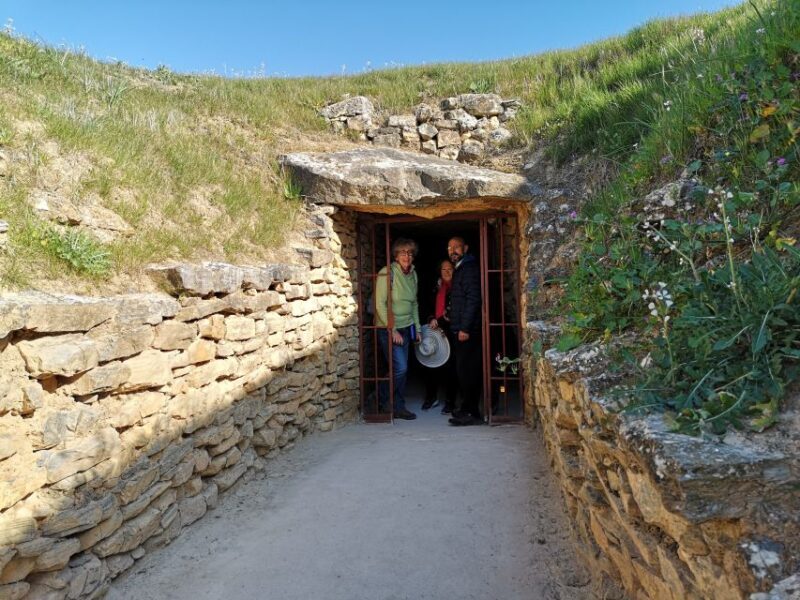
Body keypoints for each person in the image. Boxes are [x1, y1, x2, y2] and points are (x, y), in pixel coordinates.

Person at [374, 237, 422, 420]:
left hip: (407, 327)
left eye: (410, 253)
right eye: (402, 252)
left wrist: (417, 328)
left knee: (401, 369)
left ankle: (398, 406)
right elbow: (380, 303)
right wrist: (391, 329)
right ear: (396, 255)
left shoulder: (414, 275)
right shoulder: (387, 273)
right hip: (389, 328)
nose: (406, 256)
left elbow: (414, 304)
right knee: (400, 368)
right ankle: (380, 396)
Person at [446, 236, 483, 426]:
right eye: (450, 248)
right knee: (463, 370)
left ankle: (472, 412)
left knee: (468, 371)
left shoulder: (468, 268)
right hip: (460, 327)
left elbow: (473, 299)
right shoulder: (461, 267)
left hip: (467, 330)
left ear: (465, 248)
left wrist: (465, 328)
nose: (453, 250)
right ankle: (467, 408)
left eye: (457, 247)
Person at [422, 259, 458, 413]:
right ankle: (431, 397)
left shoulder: (459, 286)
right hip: (434, 329)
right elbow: (426, 305)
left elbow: (459, 308)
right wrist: (431, 319)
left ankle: (450, 401)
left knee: (451, 367)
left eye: (450, 269)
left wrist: (443, 321)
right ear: (440, 272)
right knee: (431, 364)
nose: (447, 272)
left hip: (451, 330)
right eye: (444, 270)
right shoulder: (435, 287)